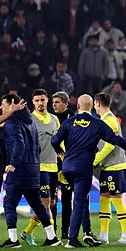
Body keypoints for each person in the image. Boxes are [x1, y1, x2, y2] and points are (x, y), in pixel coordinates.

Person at [52, 95, 126, 248]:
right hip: (84, 168)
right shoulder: (97, 124)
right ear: (91, 106)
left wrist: (61, 154)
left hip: (67, 167)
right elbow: (116, 140)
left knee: (77, 200)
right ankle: (72, 239)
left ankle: (87, 232)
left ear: (78, 107)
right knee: (80, 202)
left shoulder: (69, 122)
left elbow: (54, 141)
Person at [0, 94, 61, 248]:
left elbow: (19, 144)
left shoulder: (12, 123)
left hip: (19, 170)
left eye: (3, 104)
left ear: (12, 104)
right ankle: (52, 237)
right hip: (34, 169)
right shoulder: (31, 123)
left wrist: (13, 163)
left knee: (9, 203)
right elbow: (37, 146)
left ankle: (13, 240)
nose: (1, 107)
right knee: (38, 205)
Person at [19, 89, 60, 246]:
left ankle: (27, 232)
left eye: (42, 100)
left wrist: (62, 156)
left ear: (47, 100)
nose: (40, 103)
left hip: (53, 166)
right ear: (32, 102)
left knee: (52, 203)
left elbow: (58, 140)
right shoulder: (29, 120)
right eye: (37, 101)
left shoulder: (55, 119)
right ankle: (52, 236)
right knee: (45, 203)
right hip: (39, 166)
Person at [93, 92, 126, 245]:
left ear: (97, 104)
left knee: (116, 199)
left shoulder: (109, 120)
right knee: (104, 198)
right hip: (108, 166)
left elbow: (110, 144)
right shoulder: (105, 119)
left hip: (115, 165)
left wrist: (95, 160)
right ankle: (104, 235)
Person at [51, 91, 74, 240]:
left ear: (66, 104)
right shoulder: (48, 119)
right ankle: (51, 231)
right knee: (51, 200)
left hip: (68, 165)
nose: (54, 105)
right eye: (53, 102)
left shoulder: (74, 120)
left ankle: (65, 231)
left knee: (67, 200)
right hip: (51, 165)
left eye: (57, 102)